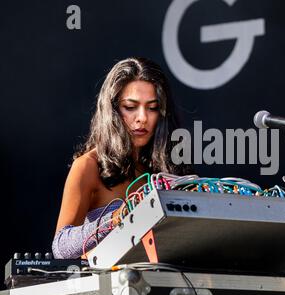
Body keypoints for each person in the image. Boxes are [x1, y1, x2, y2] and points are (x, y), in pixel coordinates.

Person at [52, 57, 190, 259]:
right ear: (113, 110)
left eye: (152, 108)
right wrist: (120, 216)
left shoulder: (166, 168)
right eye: (131, 107)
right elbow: (61, 247)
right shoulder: (88, 166)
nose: (142, 117)